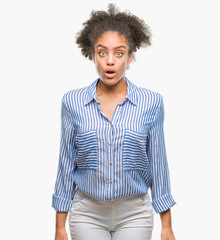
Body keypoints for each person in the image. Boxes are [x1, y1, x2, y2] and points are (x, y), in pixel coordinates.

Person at [52, 3, 177, 240]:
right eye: (102, 52)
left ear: (130, 57)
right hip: (87, 212)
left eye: (119, 53)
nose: (110, 61)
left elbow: (158, 163)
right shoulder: (72, 102)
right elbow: (66, 164)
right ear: (92, 55)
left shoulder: (151, 102)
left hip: (135, 213)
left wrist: (167, 226)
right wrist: (60, 227)